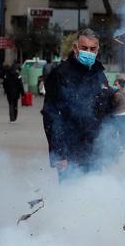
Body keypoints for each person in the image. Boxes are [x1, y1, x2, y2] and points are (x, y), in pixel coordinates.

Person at [42, 28, 113, 181]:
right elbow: (50, 115)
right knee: (71, 196)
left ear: (97, 49)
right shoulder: (60, 74)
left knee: (94, 194)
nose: (89, 52)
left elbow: (105, 111)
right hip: (70, 150)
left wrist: (108, 146)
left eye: (92, 49)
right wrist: (59, 153)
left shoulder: (99, 74)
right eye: (84, 48)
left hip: (94, 150)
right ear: (75, 48)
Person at [110, 78, 125, 156]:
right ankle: (122, 147)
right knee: (123, 132)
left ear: (119, 85)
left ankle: (116, 147)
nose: (114, 86)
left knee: (114, 131)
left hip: (119, 115)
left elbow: (113, 104)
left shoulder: (117, 94)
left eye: (115, 84)